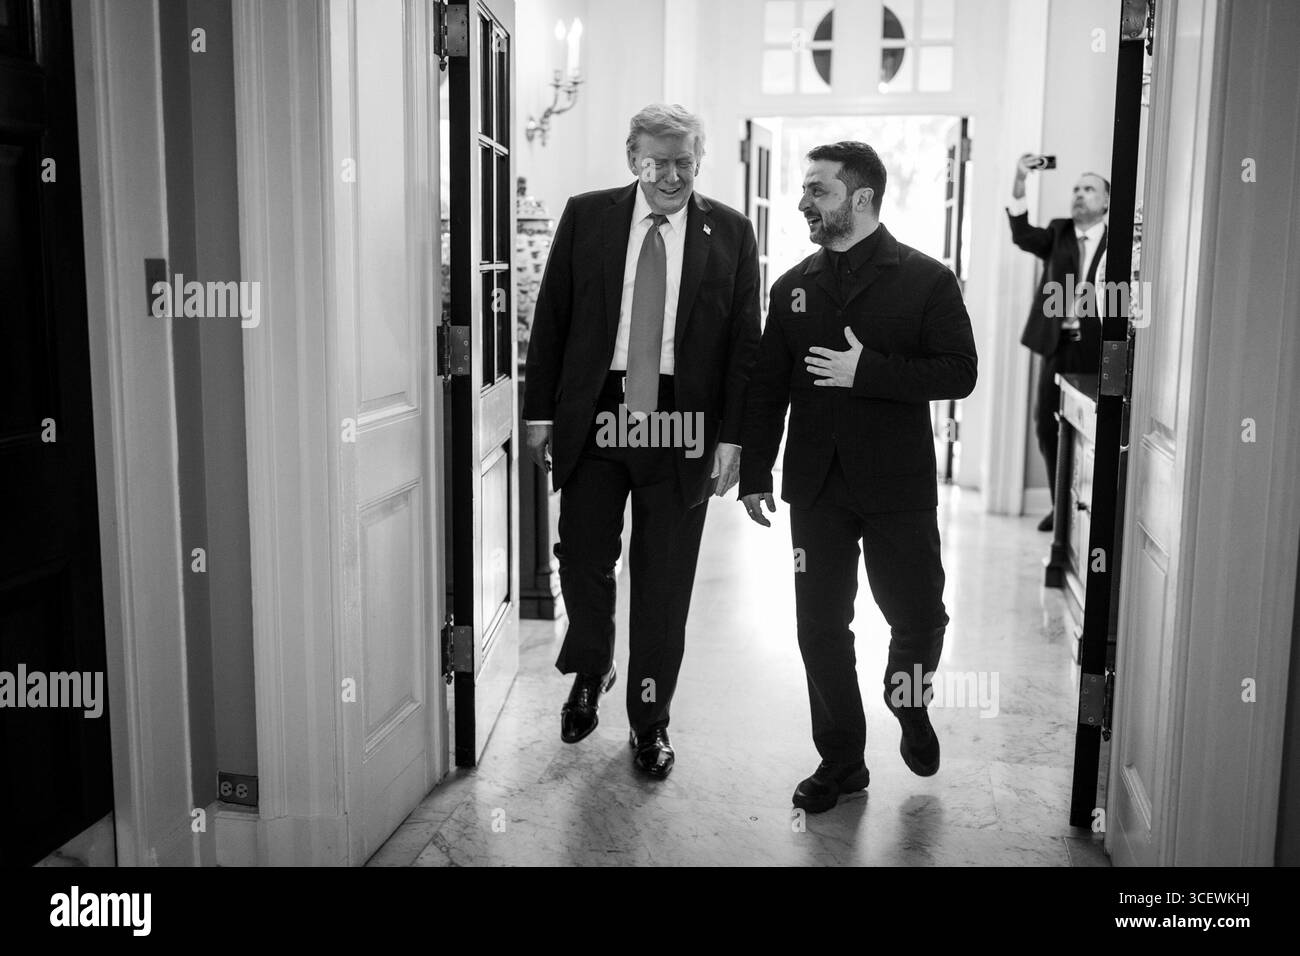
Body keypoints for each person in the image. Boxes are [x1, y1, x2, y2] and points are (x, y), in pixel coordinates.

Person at [522, 104, 761, 778]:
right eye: (658, 161)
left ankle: (649, 723)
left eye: (686, 160)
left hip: (682, 426)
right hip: (600, 412)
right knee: (582, 555)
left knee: (663, 584)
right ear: (634, 159)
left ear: (699, 159)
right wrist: (539, 411)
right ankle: (592, 664)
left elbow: (746, 344)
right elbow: (554, 317)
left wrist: (734, 440)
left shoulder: (733, 232)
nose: (673, 174)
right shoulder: (588, 215)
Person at [739, 141, 977, 813]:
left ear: (860, 198)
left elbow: (960, 371)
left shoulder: (927, 279)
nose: (802, 201)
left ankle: (909, 699)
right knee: (818, 626)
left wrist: (866, 371)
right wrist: (757, 469)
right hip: (816, 487)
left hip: (897, 486)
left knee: (919, 613)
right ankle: (841, 760)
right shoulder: (790, 287)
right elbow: (765, 388)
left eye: (817, 189)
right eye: (804, 189)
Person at [1008, 155, 1110, 531]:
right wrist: (1020, 178)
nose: (1080, 195)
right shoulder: (1058, 232)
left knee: (1092, 430)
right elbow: (1021, 234)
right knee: (1045, 424)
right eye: (1076, 189)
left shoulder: (1122, 243)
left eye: (1089, 189)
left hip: (1096, 348)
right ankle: (1059, 506)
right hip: (1057, 344)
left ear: (1106, 202)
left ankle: (1089, 512)